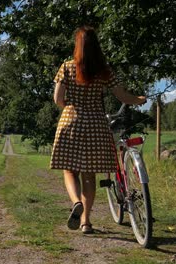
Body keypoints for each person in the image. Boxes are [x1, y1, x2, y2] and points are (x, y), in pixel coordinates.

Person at [51, 26, 146, 234]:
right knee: (89, 175)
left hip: (71, 121)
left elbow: (58, 99)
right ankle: (86, 222)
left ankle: (76, 202)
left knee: (69, 170)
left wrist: (70, 107)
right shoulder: (104, 71)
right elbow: (122, 96)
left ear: (78, 46)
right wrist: (140, 99)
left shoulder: (66, 67)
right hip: (95, 123)